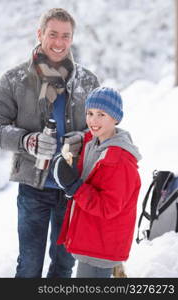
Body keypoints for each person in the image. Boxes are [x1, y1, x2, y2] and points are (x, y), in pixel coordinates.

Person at [0, 8, 99, 278]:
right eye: (53, 34)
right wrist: (26, 141)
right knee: (29, 267)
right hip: (33, 188)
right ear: (39, 34)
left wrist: (81, 138)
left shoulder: (87, 82)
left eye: (66, 35)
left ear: (72, 38)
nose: (59, 42)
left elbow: (101, 129)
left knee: (64, 265)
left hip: (72, 187)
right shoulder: (14, 80)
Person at [53, 86, 142, 278]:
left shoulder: (119, 160)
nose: (93, 120)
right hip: (92, 240)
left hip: (102, 246)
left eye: (101, 114)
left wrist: (74, 186)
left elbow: (108, 206)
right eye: (90, 113)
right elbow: (86, 139)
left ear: (116, 118)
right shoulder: (95, 143)